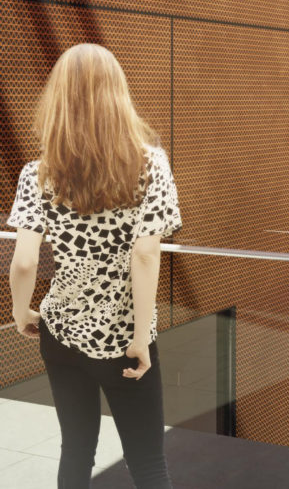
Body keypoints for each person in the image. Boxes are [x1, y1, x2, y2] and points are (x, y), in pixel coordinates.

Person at [7, 44, 181, 489]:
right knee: (147, 463)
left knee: (76, 449)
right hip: (123, 337)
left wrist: (21, 311)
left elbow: (25, 260)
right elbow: (145, 255)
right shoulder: (149, 167)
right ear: (117, 95)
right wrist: (141, 338)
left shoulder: (38, 174)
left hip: (60, 329)